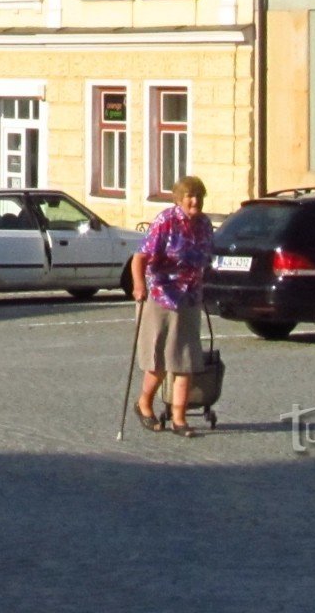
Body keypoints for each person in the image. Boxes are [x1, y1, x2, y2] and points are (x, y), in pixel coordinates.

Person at [131, 175, 215, 437]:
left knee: (185, 359)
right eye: (190, 196)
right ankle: (144, 404)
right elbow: (139, 257)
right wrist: (138, 286)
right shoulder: (165, 221)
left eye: (199, 195)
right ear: (179, 199)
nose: (195, 200)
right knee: (157, 360)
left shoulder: (204, 224)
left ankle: (179, 419)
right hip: (160, 296)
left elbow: (206, 258)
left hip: (189, 297)